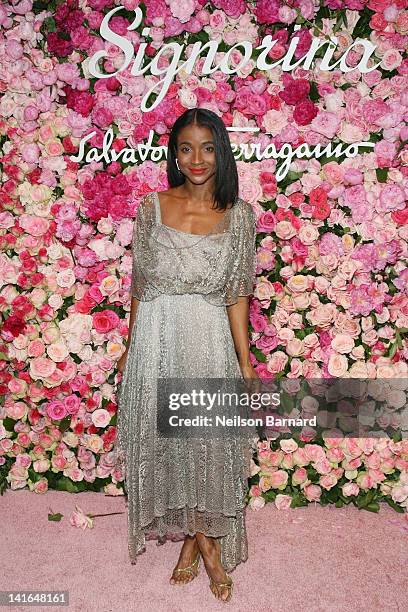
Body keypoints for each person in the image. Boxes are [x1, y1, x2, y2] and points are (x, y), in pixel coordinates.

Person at [115, 107, 258, 603]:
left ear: (222, 152)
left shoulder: (240, 216)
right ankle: (198, 545)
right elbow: (139, 284)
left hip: (206, 333)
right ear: (174, 154)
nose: (196, 159)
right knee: (171, 446)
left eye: (208, 147)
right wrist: (132, 348)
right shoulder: (151, 206)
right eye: (185, 148)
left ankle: (205, 547)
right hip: (157, 336)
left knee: (205, 440)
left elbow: (237, 293)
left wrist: (243, 362)